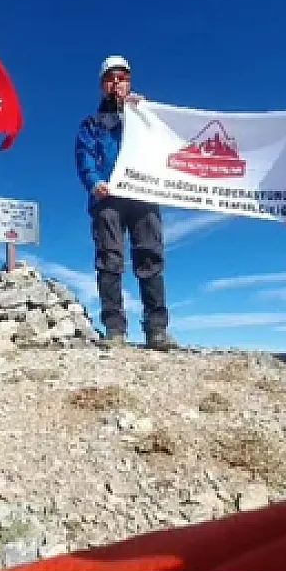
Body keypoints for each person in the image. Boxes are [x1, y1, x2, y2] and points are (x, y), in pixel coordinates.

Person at [74, 55, 177, 352]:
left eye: (122, 77)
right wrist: (95, 183)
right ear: (102, 86)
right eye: (110, 78)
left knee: (150, 258)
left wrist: (143, 112)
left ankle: (156, 330)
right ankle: (115, 329)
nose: (116, 83)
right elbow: (85, 156)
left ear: (129, 81)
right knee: (110, 260)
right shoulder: (92, 124)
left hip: (143, 196)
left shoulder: (145, 117)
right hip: (107, 199)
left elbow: (165, 145)